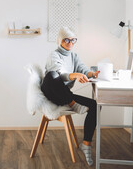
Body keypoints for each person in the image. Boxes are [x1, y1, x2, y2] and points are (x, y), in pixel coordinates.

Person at [41, 26, 100, 166]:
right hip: (51, 93)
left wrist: (92, 74)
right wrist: (74, 75)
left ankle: (86, 144)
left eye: (73, 40)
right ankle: (73, 104)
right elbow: (59, 73)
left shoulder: (74, 56)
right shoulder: (54, 55)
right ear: (60, 41)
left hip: (65, 95)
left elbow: (83, 69)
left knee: (94, 105)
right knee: (52, 75)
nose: (70, 43)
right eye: (66, 40)